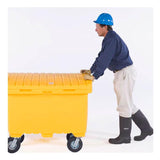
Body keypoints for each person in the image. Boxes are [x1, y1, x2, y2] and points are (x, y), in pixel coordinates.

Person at [81, 13, 153, 144]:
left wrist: (94, 76)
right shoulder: (109, 39)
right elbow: (100, 57)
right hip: (124, 72)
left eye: (97, 26)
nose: (95, 29)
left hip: (124, 73)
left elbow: (104, 60)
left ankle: (125, 137)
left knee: (124, 105)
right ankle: (146, 129)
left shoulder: (111, 39)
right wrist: (89, 71)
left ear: (105, 27)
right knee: (129, 104)